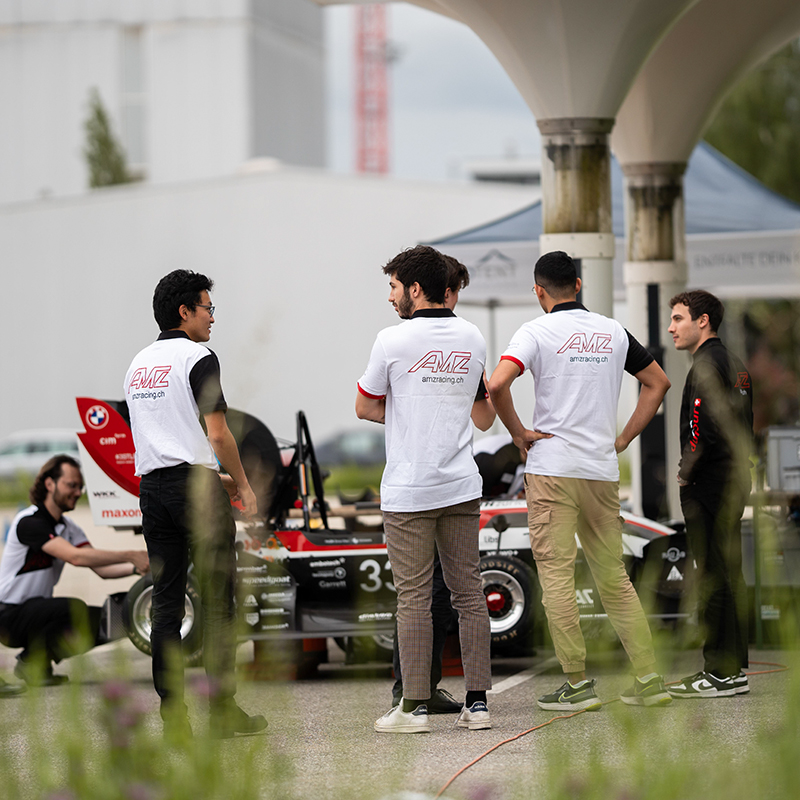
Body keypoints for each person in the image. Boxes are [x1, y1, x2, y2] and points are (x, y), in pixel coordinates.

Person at [488, 250, 673, 710]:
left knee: (556, 576)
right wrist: (625, 437)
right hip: (599, 469)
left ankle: (576, 684)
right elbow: (658, 382)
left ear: (539, 291)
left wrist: (517, 434)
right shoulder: (613, 330)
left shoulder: (535, 331)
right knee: (614, 578)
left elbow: (496, 385)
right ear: (579, 283)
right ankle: (649, 679)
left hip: (551, 468)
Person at [124, 269, 265, 740]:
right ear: (184, 311)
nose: (212, 319)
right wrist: (242, 484)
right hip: (195, 491)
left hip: (153, 490)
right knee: (219, 602)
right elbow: (217, 432)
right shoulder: (197, 356)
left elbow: (162, 438)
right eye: (208, 308)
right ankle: (222, 711)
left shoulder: (138, 364)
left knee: (166, 605)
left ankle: (174, 720)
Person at [357, 245, 493, 733]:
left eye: (395, 287)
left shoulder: (391, 341)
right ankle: (477, 705)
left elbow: (364, 407)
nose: (391, 296)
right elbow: (484, 411)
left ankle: (412, 709)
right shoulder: (473, 336)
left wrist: (407, 412)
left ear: (416, 289)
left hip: (410, 488)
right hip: (460, 483)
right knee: (469, 595)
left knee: (413, 599)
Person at [667, 290, 753, 698]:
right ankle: (733, 668)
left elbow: (699, 429)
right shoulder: (734, 364)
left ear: (703, 322)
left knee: (714, 577)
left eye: (679, 318)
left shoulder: (705, 365)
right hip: (735, 480)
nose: (671, 327)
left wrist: (686, 473)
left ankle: (718, 670)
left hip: (711, 486)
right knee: (730, 573)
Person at [0, 455, 149, 686]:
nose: (78, 492)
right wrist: (131, 554)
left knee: (106, 619)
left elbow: (102, 569)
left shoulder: (69, 528)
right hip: (8, 615)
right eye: (72, 485)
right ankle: (32, 662)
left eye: (80, 486)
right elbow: (75, 557)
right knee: (73, 609)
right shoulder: (29, 522)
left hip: (37, 612)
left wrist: (139, 568)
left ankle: (34, 664)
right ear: (50, 484)